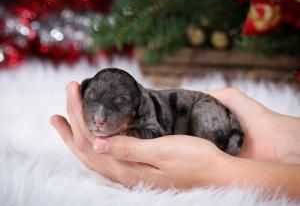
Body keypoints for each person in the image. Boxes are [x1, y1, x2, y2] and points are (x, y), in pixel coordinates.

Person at [50, 82, 300, 200]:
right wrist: (280, 137)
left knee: (204, 116)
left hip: (207, 117)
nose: (99, 118)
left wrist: (220, 172)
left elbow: (155, 131)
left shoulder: (150, 114)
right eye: (92, 99)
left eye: (119, 103)